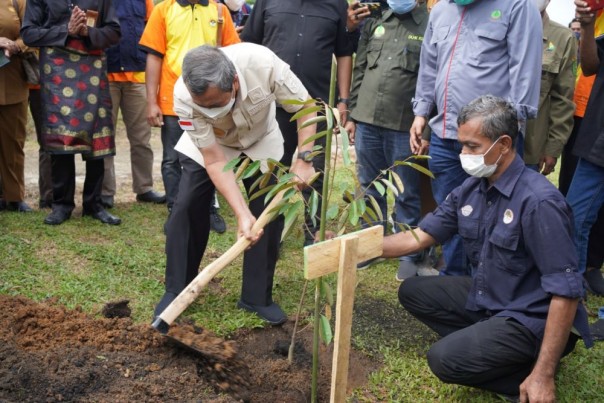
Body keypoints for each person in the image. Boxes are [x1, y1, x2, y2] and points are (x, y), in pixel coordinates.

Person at [384, 95, 592, 400]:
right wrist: (359, 247)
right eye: (462, 145)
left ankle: (527, 371)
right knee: (413, 291)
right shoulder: (473, 188)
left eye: (472, 146)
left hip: (531, 315)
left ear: (504, 144)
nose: (463, 154)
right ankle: (491, 346)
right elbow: (420, 237)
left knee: (443, 359)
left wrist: (543, 375)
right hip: (495, 294)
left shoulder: (539, 202)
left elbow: (565, 291)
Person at [153, 43, 317, 325]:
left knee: (269, 208)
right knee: (187, 203)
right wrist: (241, 214)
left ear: (235, 82)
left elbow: (306, 108)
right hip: (214, 144)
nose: (213, 111)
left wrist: (304, 157)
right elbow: (214, 160)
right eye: (205, 106)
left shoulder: (263, 63)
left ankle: (256, 296)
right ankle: (177, 289)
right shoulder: (182, 96)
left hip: (261, 138)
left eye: (217, 104)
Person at [409, 0, 542, 276]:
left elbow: (524, 68)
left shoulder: (516, 6)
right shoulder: (443, 10)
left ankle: (494, 287)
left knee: (497, 217)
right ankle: (456, 282)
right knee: (453, 215)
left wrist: (513, 128)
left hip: (492, 141)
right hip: (446, 137)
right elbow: (430, 66)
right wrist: (421, 112)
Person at [240, 0, 354, 246]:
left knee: (315, 172)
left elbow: (344, 53)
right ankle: (268, 232)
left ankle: (314, 233)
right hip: (273, 105)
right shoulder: (267, 2)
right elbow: (250, 45)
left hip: (316, 106)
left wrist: (343, 99)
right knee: (270, 170)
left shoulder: (337, 5)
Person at [344, 0, 428, 280]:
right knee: (369, 185)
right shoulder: (376, 22)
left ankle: (408, 253)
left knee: (406, 191)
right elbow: (360, 68)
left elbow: (433, 80)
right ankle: (371, 245)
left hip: (404, 125)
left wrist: (425, 129)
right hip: (367, 119)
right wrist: (353, 114)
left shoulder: (429, 26)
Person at [139, 0, 239, 230]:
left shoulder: (220, 11)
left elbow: (233, 54)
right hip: (172, 100)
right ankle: (176, 211)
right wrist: (151, 102)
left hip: (210, 101)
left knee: (212, 155)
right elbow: (154, 57)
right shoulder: (163, 10)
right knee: (172, 159)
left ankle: (209, 208)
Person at [21, 0, 121, 225]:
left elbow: (114, 32)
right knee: (60, 138)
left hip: (92, 70)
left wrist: (88, 31)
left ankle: (94, 204)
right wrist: (65, 30)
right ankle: (61, 205)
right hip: (56, 71)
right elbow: (28, 34)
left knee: (96, 137)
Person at [101, 0, 165, 209]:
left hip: (137, 77)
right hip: (105, 76)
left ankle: (144, 188)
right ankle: (105, 192)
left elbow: (152, 32)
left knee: (141, 138)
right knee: (105, 139)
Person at [559, 8, 604, 296]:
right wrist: (587, 27)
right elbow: (589, 66)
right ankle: (568, 289)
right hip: (599, 141)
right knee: (574, 214)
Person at [524, 0, 576, 176]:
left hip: (529, 151)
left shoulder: (563, 37)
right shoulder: (493, 27)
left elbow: (562, 99)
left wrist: (553, 148)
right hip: (484, 145)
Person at [0, 0, 32, 213]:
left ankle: (14, 197)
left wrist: (14, 45)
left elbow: (33, 35)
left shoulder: (18, 1)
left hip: (12, 80)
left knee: (13, 142)